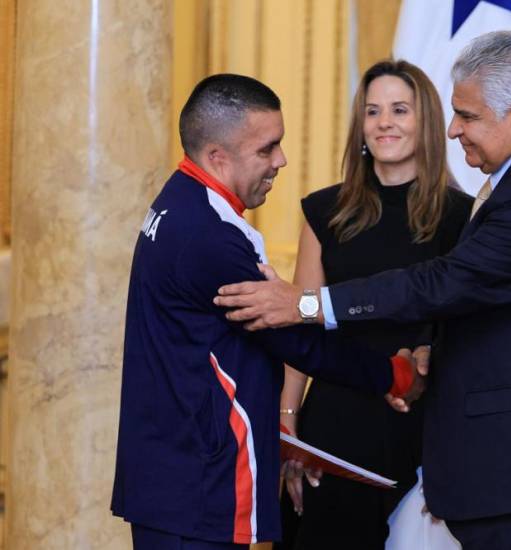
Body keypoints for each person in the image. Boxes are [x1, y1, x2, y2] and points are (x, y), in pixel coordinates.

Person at [215, 31, 511, 550]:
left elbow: (445, 282)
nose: (454, 130)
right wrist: (435, 349)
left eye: (467, 116)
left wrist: (307, 303)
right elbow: (497, 302)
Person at [111, 73, 423, 550]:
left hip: (173, 474)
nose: (280, 160)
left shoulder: (180, 199)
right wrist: (394, 376)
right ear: (218, 156)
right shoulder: (209, 237)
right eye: (266, 149)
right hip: (196, 484)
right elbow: (296, 340)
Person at [277, 60, 472, 549]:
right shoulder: (324, 212)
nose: (385, 121)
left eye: (400, 109)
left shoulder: (464, 218)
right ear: (360, 127)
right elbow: (301, 326)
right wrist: (289, 431)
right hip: (335, 427)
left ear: (426, 122)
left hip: (425, 427)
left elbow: (469, 338)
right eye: (373, 111)